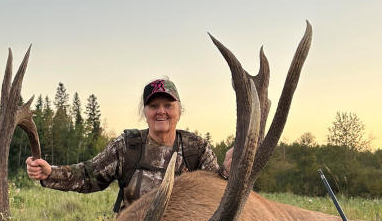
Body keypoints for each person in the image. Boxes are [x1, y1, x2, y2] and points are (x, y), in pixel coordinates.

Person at [26, 77, 233, 213]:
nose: (161, 111)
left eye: (168, 105)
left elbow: (215, 193)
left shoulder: (195, 148)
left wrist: (228, 173)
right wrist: (50, 173)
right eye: (153, 106)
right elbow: (89, 175)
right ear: (145, 112)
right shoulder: (127, 146)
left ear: (179, 110)